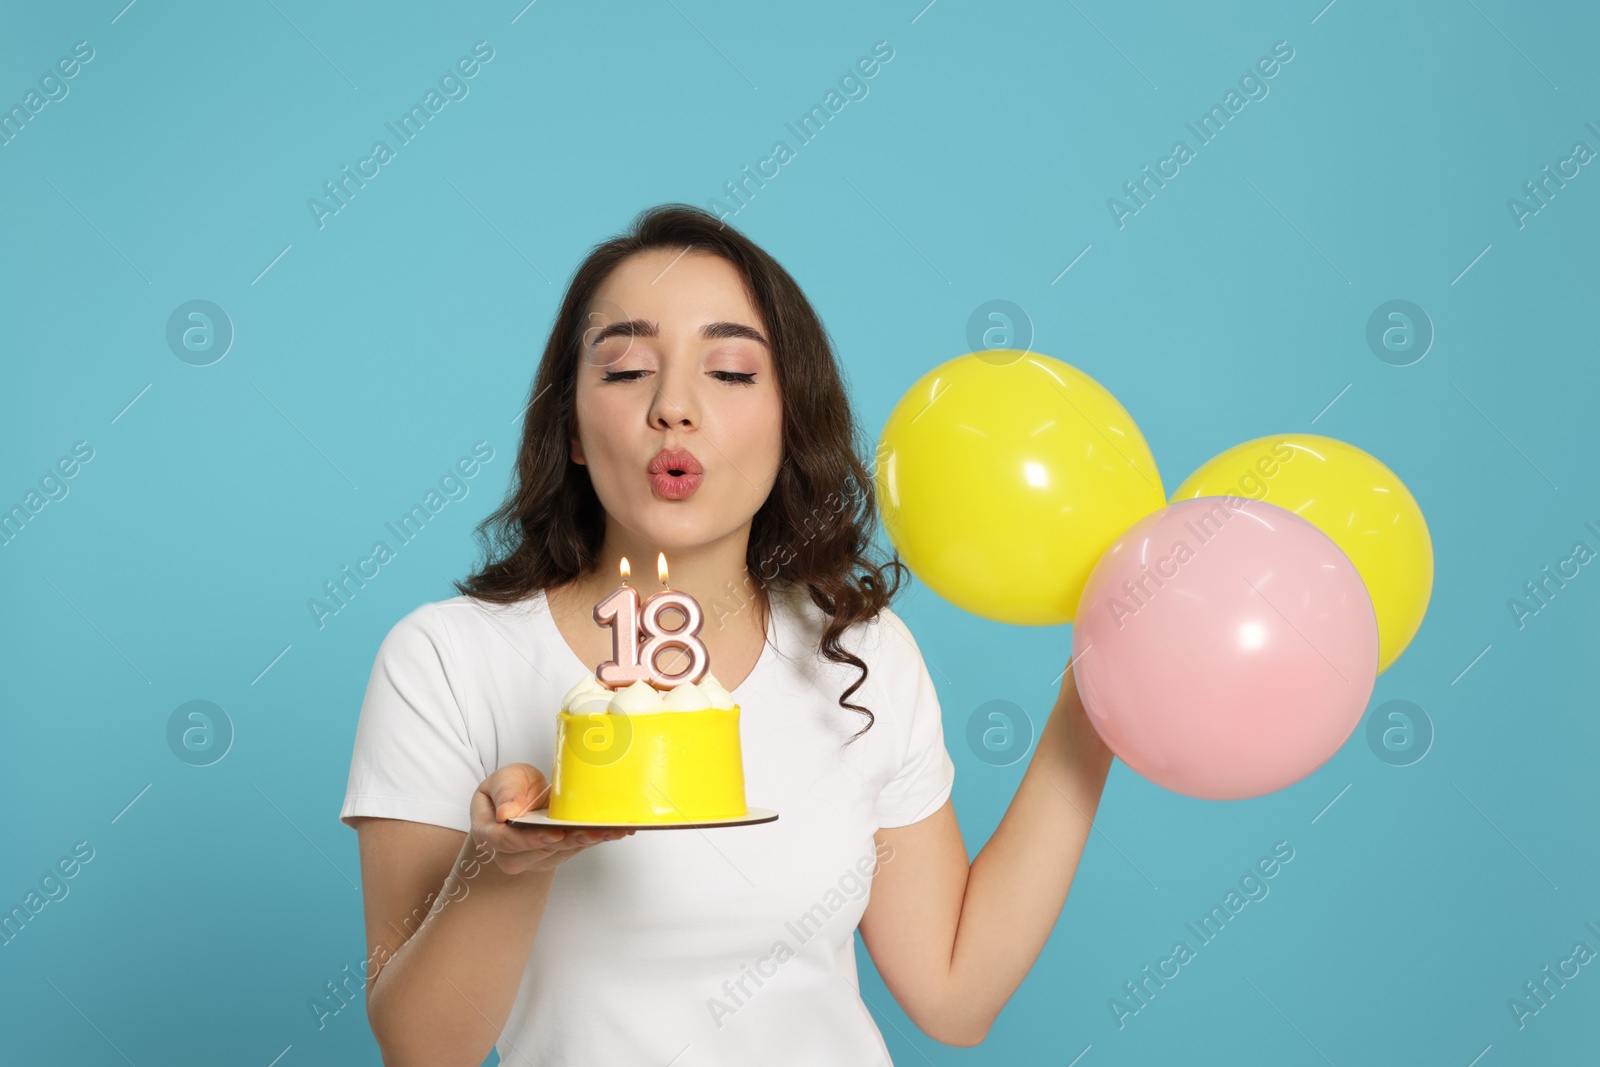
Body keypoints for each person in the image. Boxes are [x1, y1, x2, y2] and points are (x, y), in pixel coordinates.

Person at [338, 203, 1114, 1066]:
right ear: (572, 431)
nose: (674, 407)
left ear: (791, 422)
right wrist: (507, 867)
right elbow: (421, 1048)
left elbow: (956, 996)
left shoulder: (862, 653)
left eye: (732, 372)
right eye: (628, 369)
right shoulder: (448, 658)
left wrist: (1100, 697)